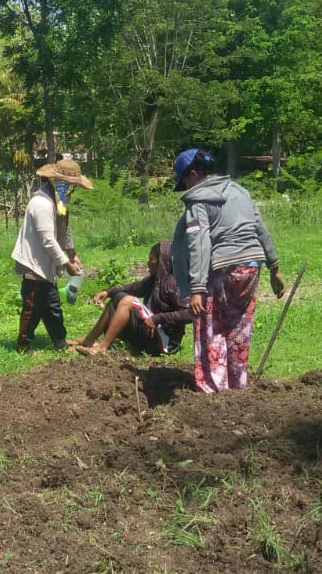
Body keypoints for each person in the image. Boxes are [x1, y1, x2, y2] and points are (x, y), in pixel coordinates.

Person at [171, 148, 286, 393]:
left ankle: (214, 389)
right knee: (238, 328)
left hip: (221, 269)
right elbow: (260, 228)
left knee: (209, 327)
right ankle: (237, 386)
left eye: (185, 181)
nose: (186, 188)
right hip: (251, 267)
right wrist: (274, 267)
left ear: (193, 173)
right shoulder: (240, 191)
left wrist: (197, 288)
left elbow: (199, 243)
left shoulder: (198, 200)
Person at [12, 158, 92, 352]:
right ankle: (23, 345)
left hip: (46, 263)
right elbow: (48, 239)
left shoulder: (59, 202)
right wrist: (67, 264)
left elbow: (64, 228)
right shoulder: (41, 203)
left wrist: (72, 252)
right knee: (32, 308)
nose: (73, 190)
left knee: (52, 306)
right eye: (71, 186)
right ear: (59, 183)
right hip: (34, 264)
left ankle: (60, 342)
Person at [74, 241, 193, 356]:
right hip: (151, 334)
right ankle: (89, 340)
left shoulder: (175, 283)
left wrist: (158, 319)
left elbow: (189, 313)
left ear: (161, 262)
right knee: (119, 296)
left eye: (151, 259)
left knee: (128, 301)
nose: (148, 263)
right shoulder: (155, 280)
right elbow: (133, 288)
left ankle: (102, 348)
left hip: (165, 343)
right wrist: (108, 292)